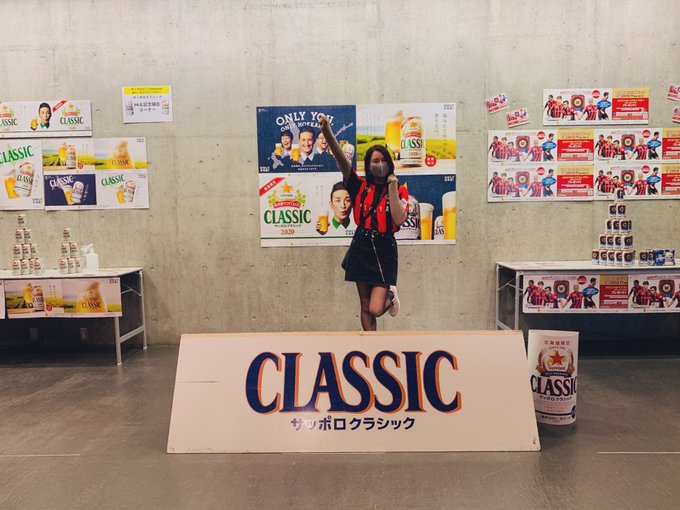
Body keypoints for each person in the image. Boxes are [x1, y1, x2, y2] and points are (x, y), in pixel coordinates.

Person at [319, 114, 408, 331]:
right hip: (362, 244)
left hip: (385, 247)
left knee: (376, 308)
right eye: (375, 161)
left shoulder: (400, 190)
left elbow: (398, 219)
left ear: (389, 163)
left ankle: (390, 295)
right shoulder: (359, 186)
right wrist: (326, 131)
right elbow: (341, 158)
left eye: (383, 160)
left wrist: (392, 186)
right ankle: (371, 344)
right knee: (365, 305)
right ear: (368, 165)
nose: (380, 164)